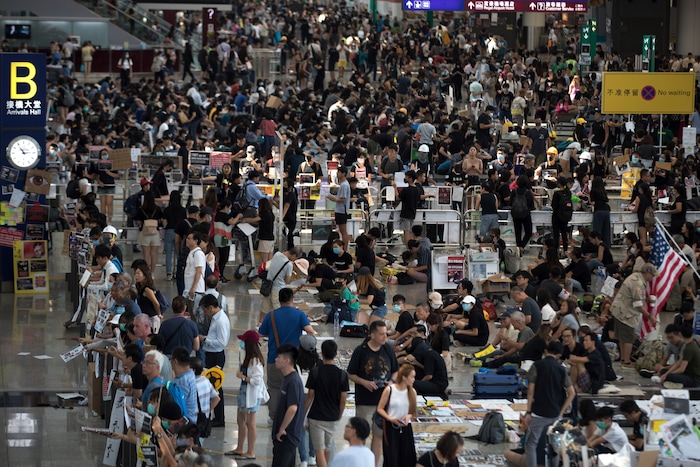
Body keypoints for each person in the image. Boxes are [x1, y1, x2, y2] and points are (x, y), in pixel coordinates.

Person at [258, 287, 315, 422]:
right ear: (292, 299)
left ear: (279, 299)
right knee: (293, 389)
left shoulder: (270, 315)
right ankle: (291, 416)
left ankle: (273, 417)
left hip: (274, 358)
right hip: (292, 360)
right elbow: (310, 331)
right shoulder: (300, 315)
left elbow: (260, 333)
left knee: (273, 388)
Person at [347, 320, 398, 465]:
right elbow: (351, 374)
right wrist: (364, 382)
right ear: (373, 335)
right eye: (382, 334)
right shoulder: (361, 351)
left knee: (378, 436)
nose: (385, 337)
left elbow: (395, 371)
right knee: (360, 435)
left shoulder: (388, 349)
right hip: (365, 400)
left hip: (383, 401)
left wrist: (391, 382)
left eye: (386, 334)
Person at [524, 341, 576, 467]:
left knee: (531, 444)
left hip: (538, 412)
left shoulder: (537, 365)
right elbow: (572, 393)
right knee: (554, 444)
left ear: (546, 351)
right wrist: (561, 412)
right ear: (558, 355)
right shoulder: (561, 369)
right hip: (555, 413)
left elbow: (530, 391)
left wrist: (528, 411)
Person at [305, 340, 349, 467]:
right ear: (336, 354)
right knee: (327, 448)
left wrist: (303, 415)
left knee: (319, 450)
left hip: (316, 416)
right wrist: (339, 414)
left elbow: (310, 396)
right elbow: (343, 399)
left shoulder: (315, 372)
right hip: (333, 416)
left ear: (321, 354)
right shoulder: (342, 374)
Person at [226, 330, 266, 459]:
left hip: (251, 395)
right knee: (240, 420)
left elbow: (256, 380)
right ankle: (240, 447)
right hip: (244, 392)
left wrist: (242, 377)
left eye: (243, 341)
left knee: (250, 423)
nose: (241, 343)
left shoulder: (255, 361)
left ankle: (251, 451)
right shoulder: (248, 358)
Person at [610, 263, 658, 366]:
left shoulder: (635, 277)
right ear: (648, 273)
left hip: (619, 310)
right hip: (626, 313)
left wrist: (646, 299)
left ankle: (623, 359)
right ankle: (626, 361)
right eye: (652, 275)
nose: (652, 278)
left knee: (623, 338)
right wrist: (650, 317)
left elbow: (635, 296)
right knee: (628, 338)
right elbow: (638, 305)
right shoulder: (638, 283)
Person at [374, 363, 417, 467]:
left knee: (407, 457)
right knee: (392, 457)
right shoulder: (390, 390)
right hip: (391, 427)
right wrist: (390, 418)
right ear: (404, 377)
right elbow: (380, 408)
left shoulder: (412, 392)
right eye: (412, 377)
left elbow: (413, 412)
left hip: (406, 428)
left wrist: (408, 416)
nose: (414, 379)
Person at [197, 293, 230, 427]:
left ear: (211, 308)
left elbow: (222, 342)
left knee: (216, 386)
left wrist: (204, 339)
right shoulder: (216, 318)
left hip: (216, 355)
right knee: (212, 386)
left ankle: (219, 418)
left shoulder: (221, 320)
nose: (205, 313)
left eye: (205, 310)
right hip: (210, 354)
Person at [271, 344, 306, 467]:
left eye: (278, 357)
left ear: (287, 361)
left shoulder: (293, 381)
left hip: (287, 436)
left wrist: (282, 429)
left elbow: (293, 408)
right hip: (285, 436)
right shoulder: (287, 378)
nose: (276, 359)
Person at [135, 191, 163, 274]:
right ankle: (152, 272)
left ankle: (146, 273)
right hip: (155, 233)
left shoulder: (141, 209)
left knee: (146, 255)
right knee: (154, 254)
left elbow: (139, 221)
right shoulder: (157, 208)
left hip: (144, 233)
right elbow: (160, 220)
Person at [170, 346, 198, 423]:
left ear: (175, 361)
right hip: (190, 417)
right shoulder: (189, 373)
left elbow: (178, 405)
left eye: (171, 360)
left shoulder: (183, 381)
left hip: (183, 421)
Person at [327, 165, 352, 246]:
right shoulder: (343, 184)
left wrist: (333, 199)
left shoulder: (344, 185)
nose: (337, 174)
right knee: (342, 230)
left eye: (339, 172)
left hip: (342, 210)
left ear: (343, 174)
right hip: (340, 210)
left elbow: (342, 199)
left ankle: (345, 248)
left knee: (343, 231)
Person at [551, 176, 572, 256]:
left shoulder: (557, 193)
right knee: (564, 234)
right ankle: (565, 250)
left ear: (559, 184)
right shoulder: (568, 193)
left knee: (556, 235)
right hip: (565, 216)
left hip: (556, 216)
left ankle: (556, 251)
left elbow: (554, 206)